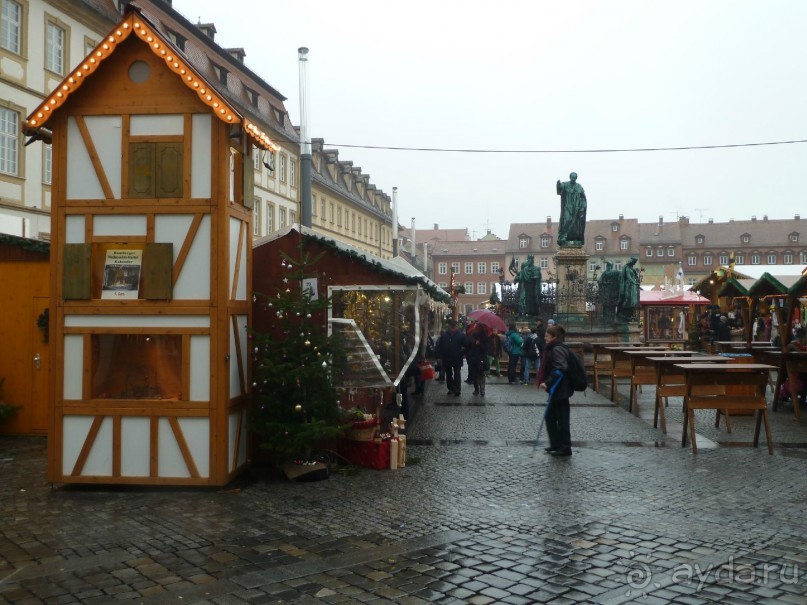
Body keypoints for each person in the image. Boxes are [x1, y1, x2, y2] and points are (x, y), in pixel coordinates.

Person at [537, 323, 574, 457]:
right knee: (550, 416)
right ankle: (556, 444)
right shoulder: (553, 348)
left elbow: (560, 368)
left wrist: (548, 383)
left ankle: (565, 447)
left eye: (547, 336)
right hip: (557, 389)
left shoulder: (557, 349)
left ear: (554, 337)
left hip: (561, 389)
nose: (545, 338)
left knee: (562, 419)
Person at [435, 319, 467, 396]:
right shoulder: (444, 335)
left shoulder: (461, 335)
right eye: (451, 326)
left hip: (457, 357)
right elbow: (439, 346)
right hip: (447, 357)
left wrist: (463, 352)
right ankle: (450, 388)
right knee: (449, 374)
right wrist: (439, 357)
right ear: (449, 327)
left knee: (457, 373)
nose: (452, 328)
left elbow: (466, 345)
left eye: (454, 326)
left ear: (456, 327)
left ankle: (457, 389)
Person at [556, 172, 587, 246]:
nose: (573, 179)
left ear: (576, 178)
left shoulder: (579, 187)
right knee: (567, 220)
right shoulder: (566, 184)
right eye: (572, 177)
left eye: (574, 177)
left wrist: (582, 207)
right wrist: (558, 185)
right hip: (568, 206)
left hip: (576, 207)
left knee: (576, 224)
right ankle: (564, 236)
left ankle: (574, 237)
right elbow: (560, 189)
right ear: (570, 177)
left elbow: (583, 198)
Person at [466, 322, 489, 396]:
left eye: (476, 328)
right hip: (473, 358)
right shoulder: (472, 336)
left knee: (481, 374)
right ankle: (476, 389)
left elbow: (486, 349)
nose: (475, 329)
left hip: (481, 358)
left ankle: (482, 390)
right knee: (475, 375)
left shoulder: (485, 337)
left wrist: (480, 344)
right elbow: (468, 346)